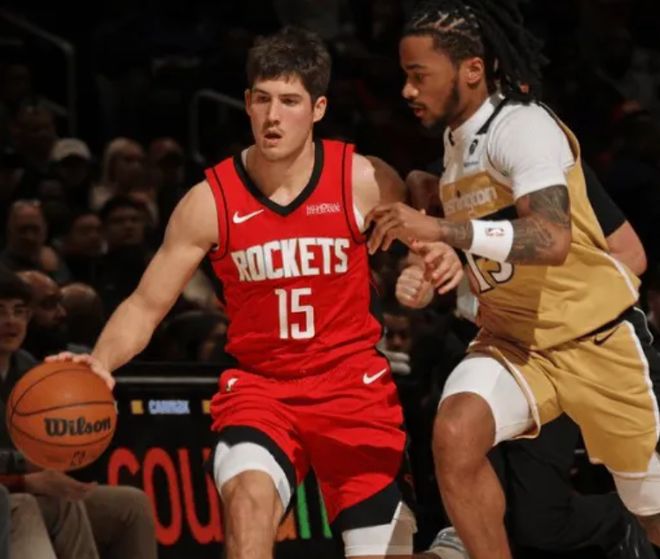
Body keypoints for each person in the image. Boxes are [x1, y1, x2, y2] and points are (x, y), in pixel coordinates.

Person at [48, 27, 464, 559]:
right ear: (246, 103)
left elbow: (425, 236)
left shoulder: (361, 178)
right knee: (248, 502)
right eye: (262, 99)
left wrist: (422, 270)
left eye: (289, 101)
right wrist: (100, 364)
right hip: (262, 389)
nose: (273, 116)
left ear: (317, 108)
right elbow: (147, 305)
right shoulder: (209, 201)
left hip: (353, 387)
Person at [366, 1, 660, 558]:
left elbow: (550, 239)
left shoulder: (523, 127)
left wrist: (438, 227)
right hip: (515, 343)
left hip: (594, 339)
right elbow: (469, 220)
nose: (407, 90)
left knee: (652, 513)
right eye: (406, 75)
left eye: (419, 75)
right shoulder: (457, 143)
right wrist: (428, 236)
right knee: (455, 434)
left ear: (471, 69)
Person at [400, 167, 654, 558]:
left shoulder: (553, 167)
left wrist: (567, 309)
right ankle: (456, 538)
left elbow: (632, 255)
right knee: (457, 447)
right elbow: (419, 191)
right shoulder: (456, 168)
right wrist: (419, 273)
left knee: (539, 521)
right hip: (481, 342)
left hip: (558, 345)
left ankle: (621, 521)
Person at [0, 268, 158, 559]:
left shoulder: (29, 369)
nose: (11, 321)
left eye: (19, 311)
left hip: (29, 488)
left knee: (131, 505)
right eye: (1, 311)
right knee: (30, 505)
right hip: (12, 492)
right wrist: (24, 480)